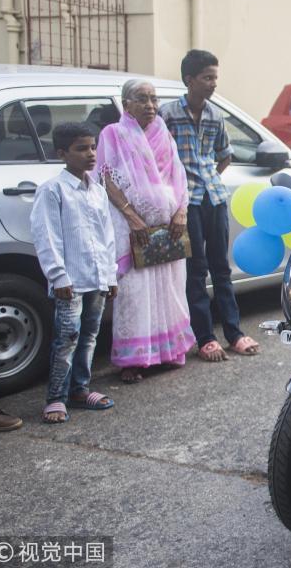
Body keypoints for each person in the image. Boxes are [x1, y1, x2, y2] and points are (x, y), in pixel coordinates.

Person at [159, 49, 259, 362]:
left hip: (214, 198)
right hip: (185, 203)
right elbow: (157, 156)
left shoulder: (216, 115)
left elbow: (224, 153)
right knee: (195, 270)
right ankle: (204, 338)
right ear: (189, 79)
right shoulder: (168, 114)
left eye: (215, 77)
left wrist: (210, 177)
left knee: (221, 268)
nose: (213, 83)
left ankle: (234, 333)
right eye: (207, 78)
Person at [95, 80, 197, 383]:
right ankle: (134, 360)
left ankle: (168, 352)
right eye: (142, 99)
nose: (150, 105)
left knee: (169, 290)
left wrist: (181, 212)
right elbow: (106, 177)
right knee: (135, 295)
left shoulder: (163, 132)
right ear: (126, 104)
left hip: (168, 229)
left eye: (154, 99)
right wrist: (131, 216)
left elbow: (178, 175)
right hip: (133, 228)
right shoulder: (112, 134)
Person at [31, 123, 118, 423]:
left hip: (96, 278)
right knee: (67, 336)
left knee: (90, 335)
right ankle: (56, 397)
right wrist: (58, 276)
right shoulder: (53, 191)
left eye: (93, 147)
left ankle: (80, 389)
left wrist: (111, 275)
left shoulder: (97, 191)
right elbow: (47, 236)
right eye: (81, 148)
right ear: (62, 153)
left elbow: (107, 236)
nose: (91, 153)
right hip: (71, 281)